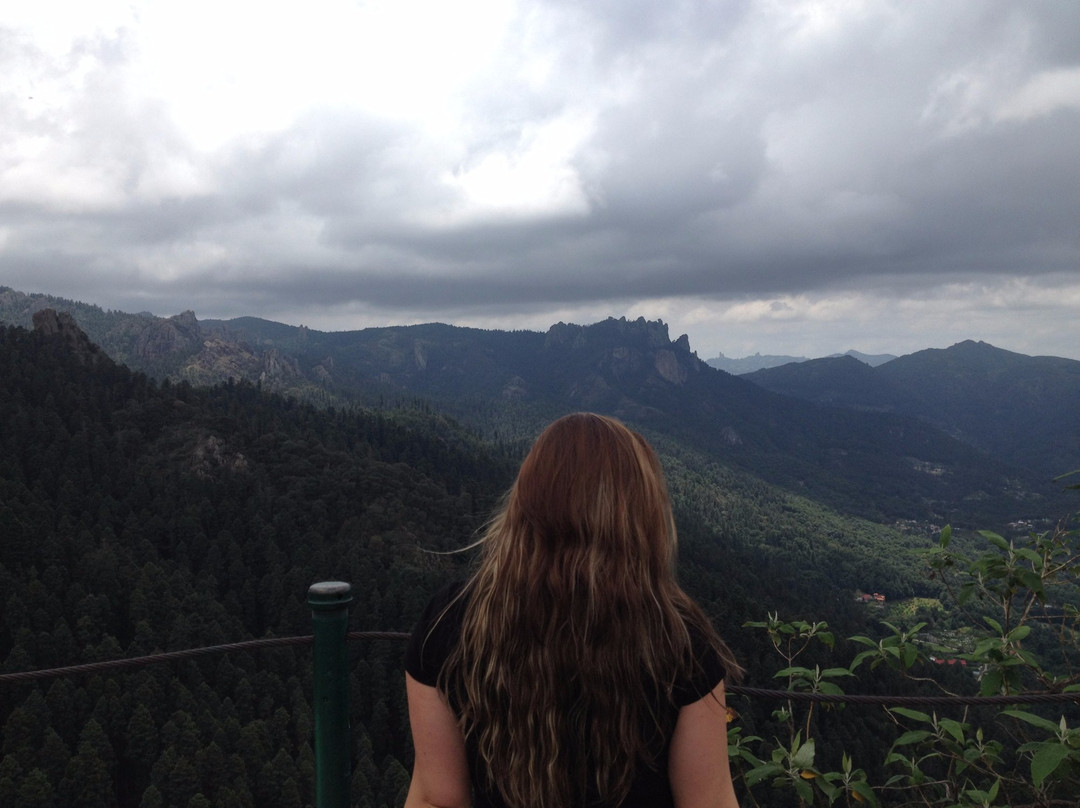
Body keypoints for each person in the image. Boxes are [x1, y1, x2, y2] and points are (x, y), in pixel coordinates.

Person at [404, 412, 742, 808]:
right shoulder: (678, 640)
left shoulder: (450, 621)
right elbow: (710, 800)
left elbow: (435, 797)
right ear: (636, 518)